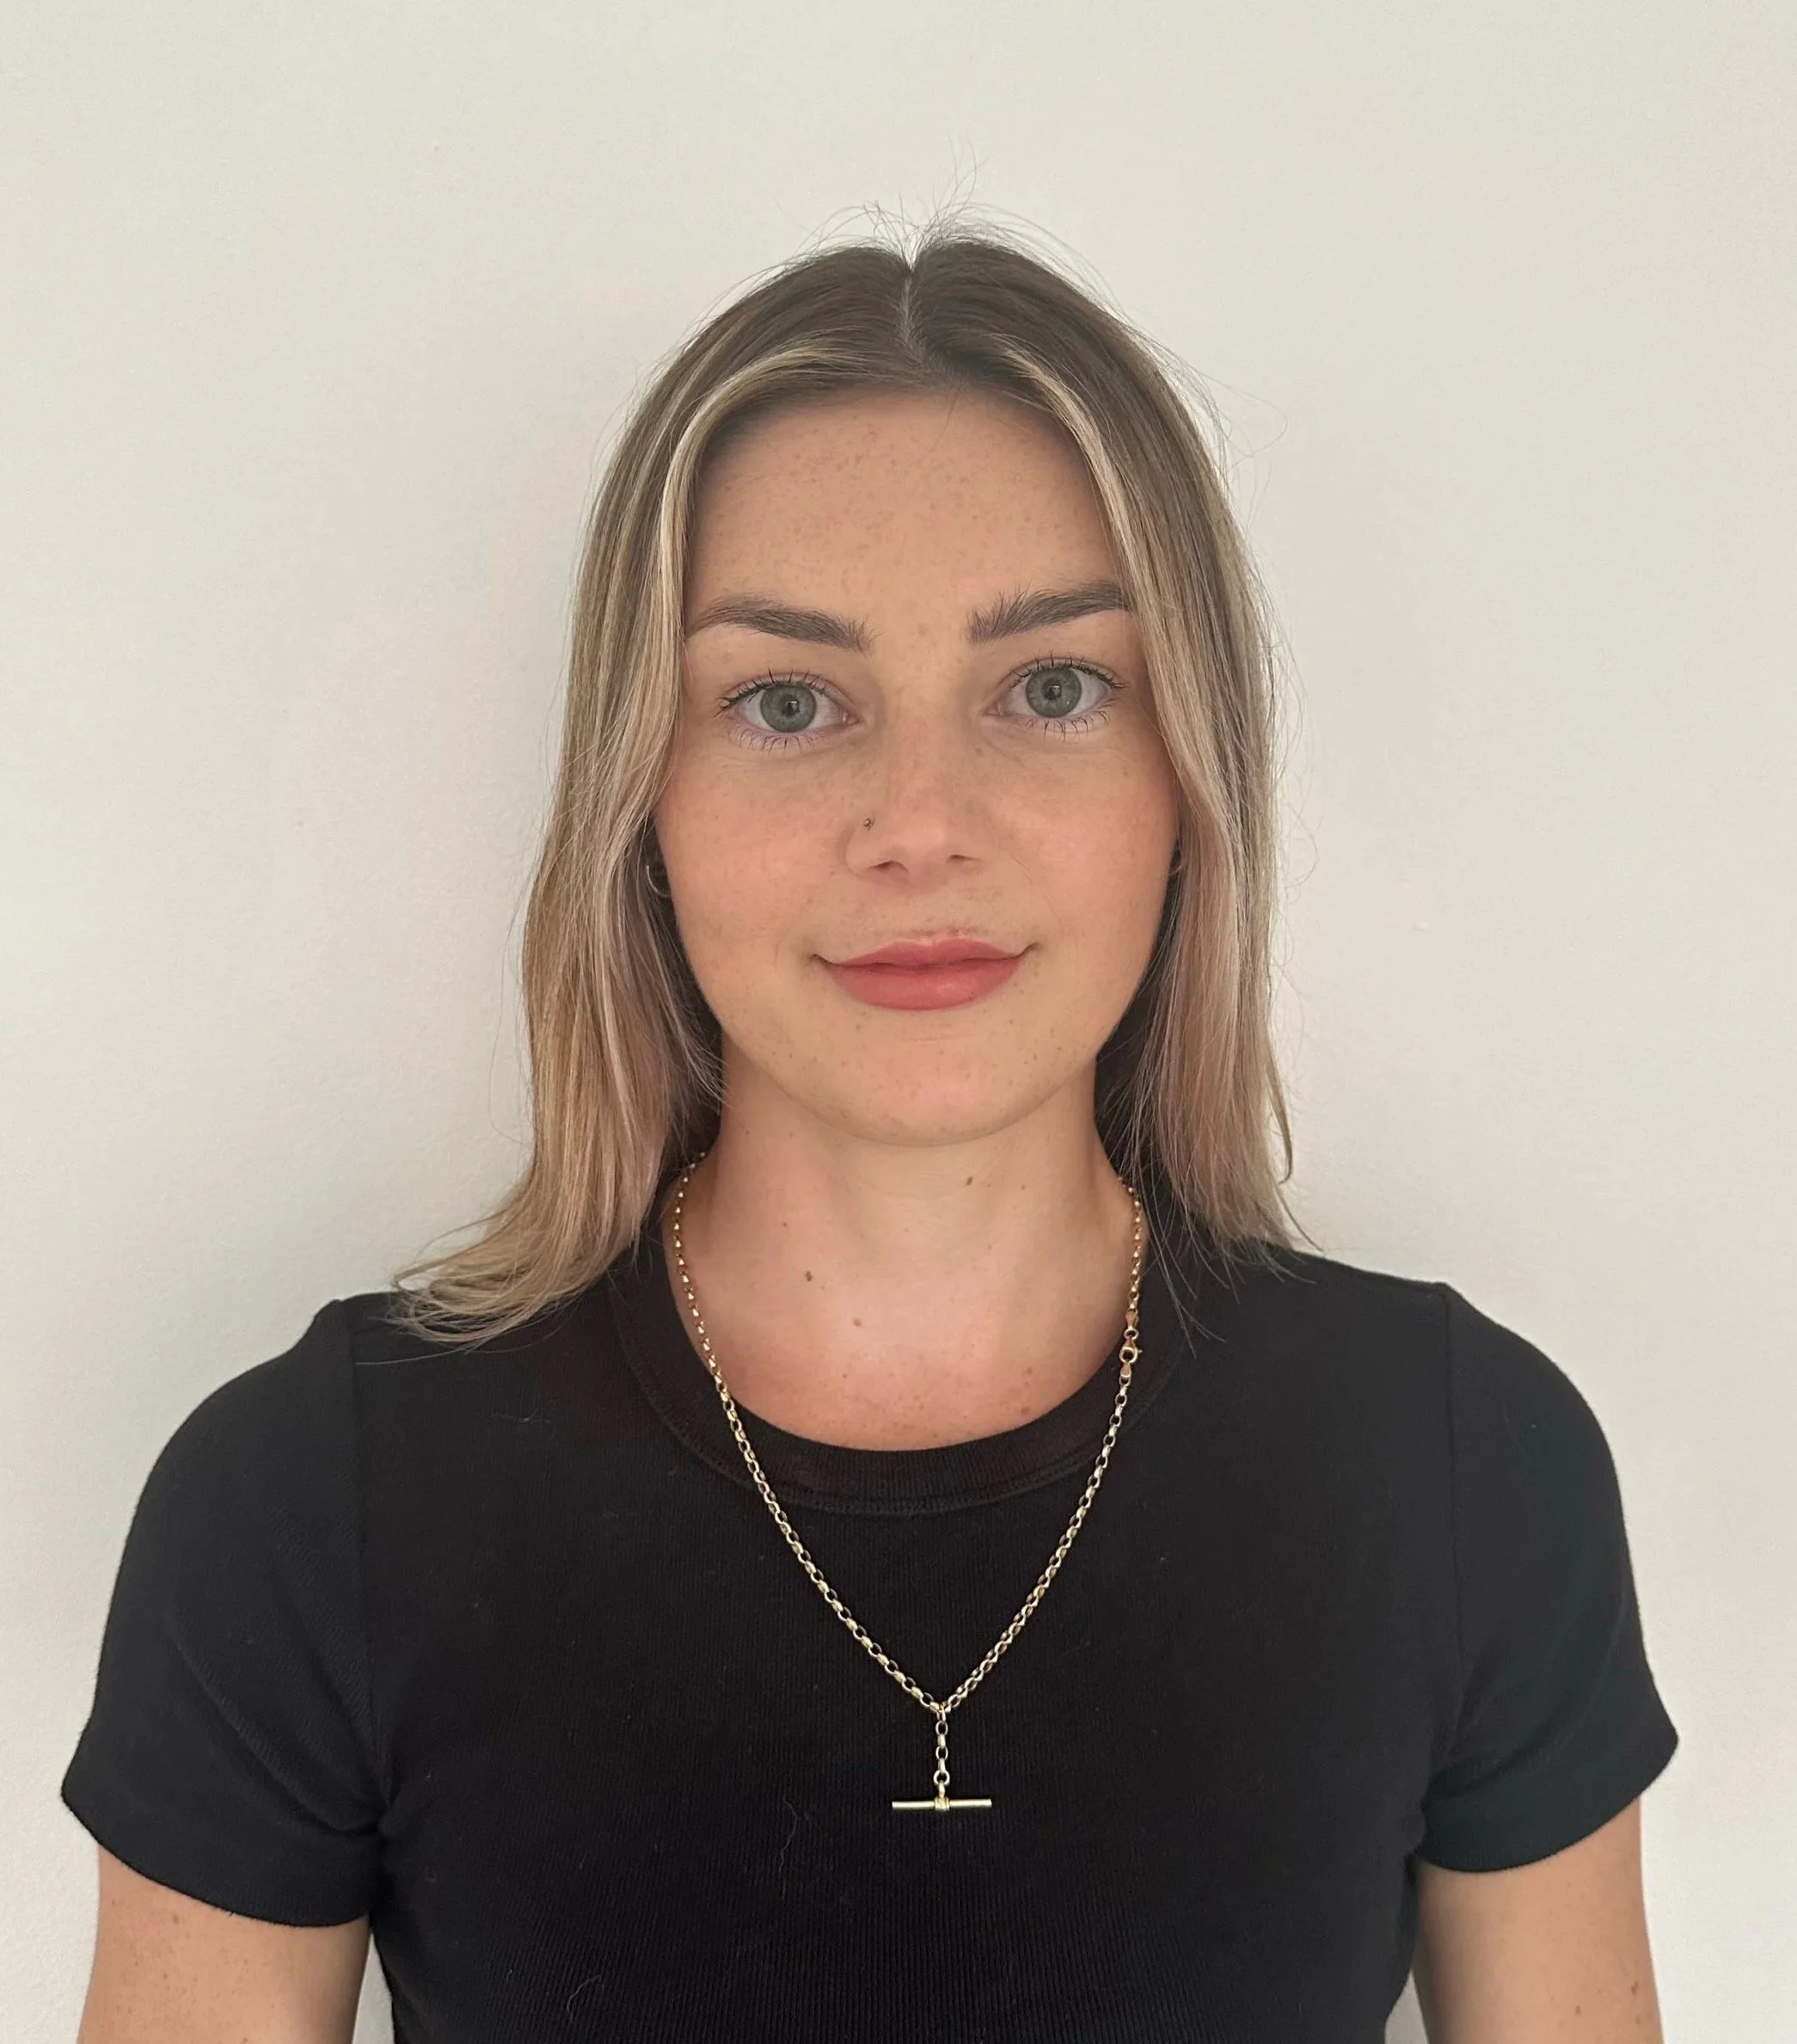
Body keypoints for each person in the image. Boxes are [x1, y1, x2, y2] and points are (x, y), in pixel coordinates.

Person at [61, 220, 1679, 2043]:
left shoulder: (1463, 1473)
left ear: (1185, 779)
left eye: (1052, 689)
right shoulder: (310, 1507)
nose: (921, 822)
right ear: (639, 800)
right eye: (784, 701)